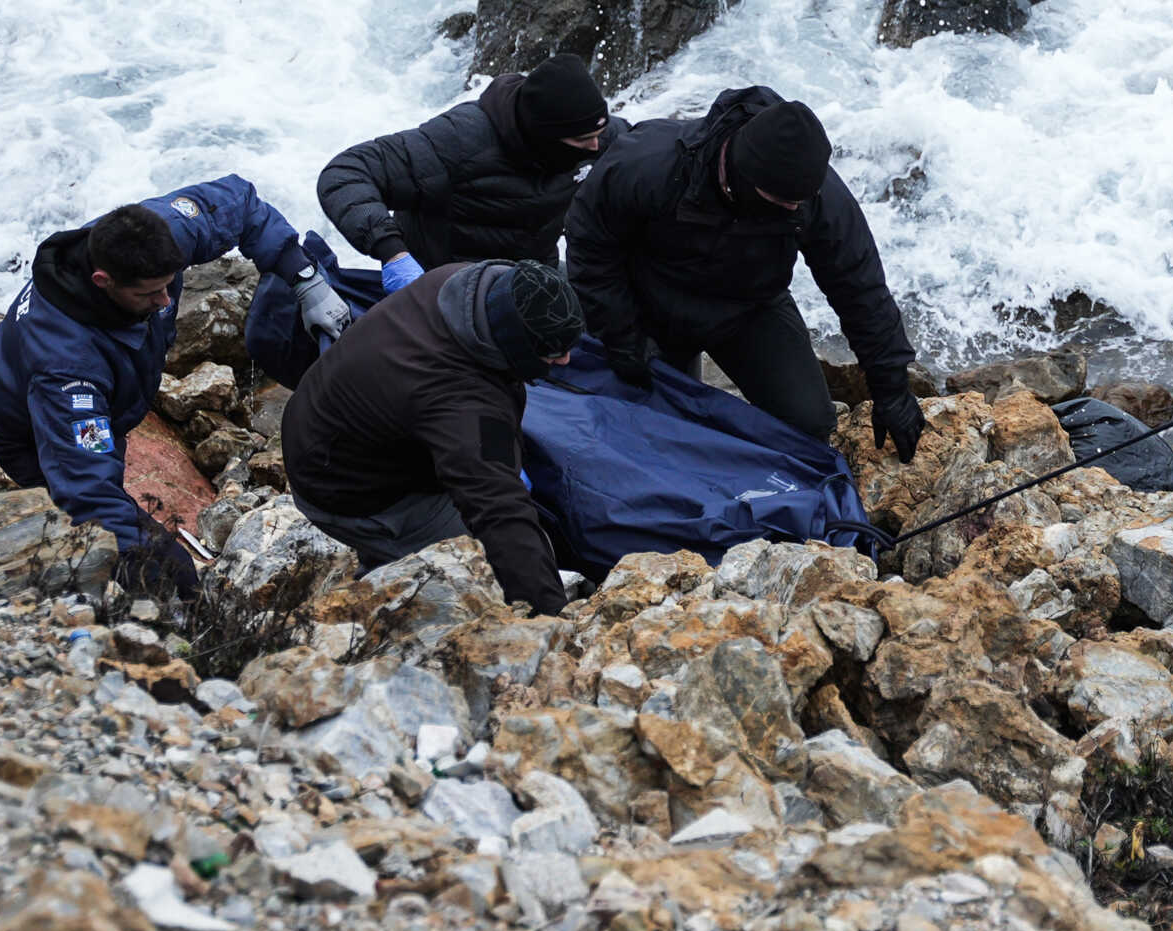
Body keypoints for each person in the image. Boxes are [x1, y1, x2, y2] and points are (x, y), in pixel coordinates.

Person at [0, 177, 350, 589]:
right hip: (29, 434)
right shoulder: (67, 372)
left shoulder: (156, 232)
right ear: (103, 281)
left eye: (169, 284)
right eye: (151, 294)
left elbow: (239, 206)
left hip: (108, 389)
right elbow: (87, 487)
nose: (166, 302)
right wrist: (156, 564)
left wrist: (306, 279)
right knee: (119, 555)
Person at [564, 86, 925, 460]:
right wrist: (622, 335)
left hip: (748, 308)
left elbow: (860, 287)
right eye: (783, 201)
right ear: (742, 174)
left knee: (809, 427)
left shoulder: (813, 194)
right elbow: (589, 244)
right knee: (653, 427)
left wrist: (892, 389)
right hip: (649, 304)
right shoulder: (649, 162)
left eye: (799, 201)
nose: (794, 208)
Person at [280, 258, 584, 617]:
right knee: (482, 572)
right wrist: (550, 619)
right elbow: (500, 513)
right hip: (341, 486)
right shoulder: (461, 401)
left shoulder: (465, 284)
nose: (565, 360)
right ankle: (384, 588)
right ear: (516, 344)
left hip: (324, 419)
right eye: (552, 351)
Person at [316, 54, 621, 294]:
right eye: (583, 140)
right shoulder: (457, 141)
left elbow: (647, 159)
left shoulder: (597, 138)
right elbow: (346, 173)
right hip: (443, 287)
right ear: (543, 134)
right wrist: (392, 253)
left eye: (600, 133)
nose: (595, 147)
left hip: (531, 278)